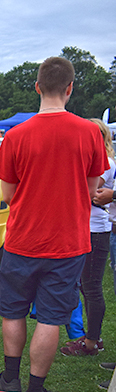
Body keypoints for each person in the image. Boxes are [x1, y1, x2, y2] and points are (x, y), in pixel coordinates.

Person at [0, 56, 108, 392]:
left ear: (37, 87)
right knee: (52, 317)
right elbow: (91, 188)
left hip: (23, 239)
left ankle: (10, 380)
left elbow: (7, 195)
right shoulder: (89, 132)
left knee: (13, 311)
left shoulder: (16, 135)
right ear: (70, 89)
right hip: (68, 242)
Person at [62, 120, 116, 360]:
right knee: (86, 285)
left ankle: (92, 341)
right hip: (86, 227)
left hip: (96, 229)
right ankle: (91, 337)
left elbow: (87, 192)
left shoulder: (105, 163)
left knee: (92, 286)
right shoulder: (95, 161)